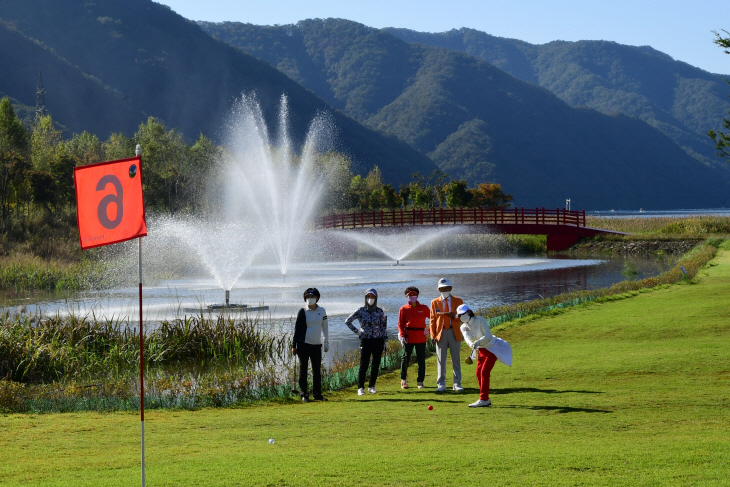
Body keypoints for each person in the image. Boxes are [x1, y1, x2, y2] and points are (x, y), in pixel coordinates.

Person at [457, 303, 513, 407]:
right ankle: (485, 398)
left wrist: (478, 341)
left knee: (484, 372)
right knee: (478, 373)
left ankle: (483, 399)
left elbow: (488, 335)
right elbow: (467, 338)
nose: (461, 317)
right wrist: (472, 344)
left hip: (492, 348)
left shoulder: (480, 320)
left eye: (462, 314)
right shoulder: (463, 327)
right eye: (459, 315)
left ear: (469, 312)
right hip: (481, 350)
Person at [344, 288, 388, 396]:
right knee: (364, 364)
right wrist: (358, 331)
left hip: (378, 340)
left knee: (375, 364)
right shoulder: (361, 310)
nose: (370, 299)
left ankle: (372, 386)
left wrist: (385, 339)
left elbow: (383, 326)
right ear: (365, 298)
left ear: (376, 298)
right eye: (368, 297)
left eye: (372, 297)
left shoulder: (379, 311)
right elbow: (347, 321)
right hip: (366, 340)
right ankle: (360, 387)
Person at [291, 287, 329, 403]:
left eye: (312, 297)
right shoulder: (303, 311)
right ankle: (304, 394)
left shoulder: (322, 311)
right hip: (303, 344)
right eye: (308, 297)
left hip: (316, 345)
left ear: (317, 298)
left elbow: (325, 327)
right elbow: (297, 329)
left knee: (317, 370)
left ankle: (317, 394)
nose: (310, 299)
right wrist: (294, 345)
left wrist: (326, 341)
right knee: (303, 370)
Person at [429, 277, 464, 392]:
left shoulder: (458, 301)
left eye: (446, 288)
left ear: (451, 288)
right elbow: (432, 320)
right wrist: (433, 335)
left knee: (456, 358)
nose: (444, 290)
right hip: (441, 332)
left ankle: (457, 383)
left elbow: (463, 317)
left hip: (454, 332)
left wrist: (453, 315)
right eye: (442, 288)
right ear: (439, 290)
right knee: (441, 359)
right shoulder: (434, 302)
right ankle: (441, 383)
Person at [398, 286, 430, 389]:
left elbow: (434, 319)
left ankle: (420, 382)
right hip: (409, 336)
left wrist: (429, 330)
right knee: (405, 358)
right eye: (410, 295)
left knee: (421, 360)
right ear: (406, 296)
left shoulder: (424, 308)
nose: (412, 297)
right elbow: (400, 324)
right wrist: (402, 335)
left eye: (414, 295)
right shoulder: (403, 309)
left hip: (421, 336)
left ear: (417, 296)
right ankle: (404, 380)